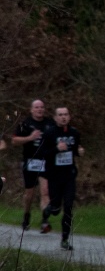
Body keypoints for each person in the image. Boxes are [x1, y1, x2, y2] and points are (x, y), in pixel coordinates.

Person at [41, 106, 85, 251]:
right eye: (60, 115)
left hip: (69, 176)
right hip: (54, 175)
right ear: (55, 118)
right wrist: (56, 149)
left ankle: (65, 239)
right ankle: (47, 213)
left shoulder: (74, 133)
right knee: (55, 209)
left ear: (69, 117)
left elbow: (76, 149)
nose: (63, 117)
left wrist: (79, 152)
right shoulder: (49, 133)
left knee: (68, 206)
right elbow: (43, 153)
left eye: (65, 114)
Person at [11, 99, 53, 233]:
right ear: (31, 110)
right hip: (30, 162)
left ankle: (45, 221)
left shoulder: (50, 123)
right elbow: (14, 141)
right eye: (37, 107)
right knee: (29, 194)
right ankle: (26, 215)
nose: (40, 109)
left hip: (45, 162)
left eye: (42, 107)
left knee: (45, 191)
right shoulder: (25, 123)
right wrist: (30, 138)